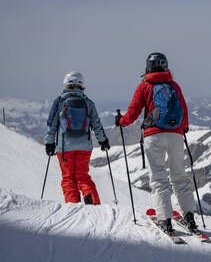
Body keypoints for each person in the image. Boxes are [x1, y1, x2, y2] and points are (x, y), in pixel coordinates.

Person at [115, 52, 197, 236]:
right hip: (175, 135)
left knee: (159, 178)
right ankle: (190, 217)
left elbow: (134, 111)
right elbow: (183, 108)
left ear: (148, 67)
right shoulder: (173, 85)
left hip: (153, 135)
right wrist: (183, 127)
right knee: (180, 176)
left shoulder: (145, 86)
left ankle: (165, 219)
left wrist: (121, 121)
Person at [44, 71, 110, 205]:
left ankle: (73, 207)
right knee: (83, 176)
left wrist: (49, 143)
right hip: (84, 147)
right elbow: (96, 123)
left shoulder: (59, 101)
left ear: (66, 83)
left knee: (68, 178)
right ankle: (94, 205)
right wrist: (103, 140)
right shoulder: (88, 102)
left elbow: (52, 124)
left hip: (64, 147)